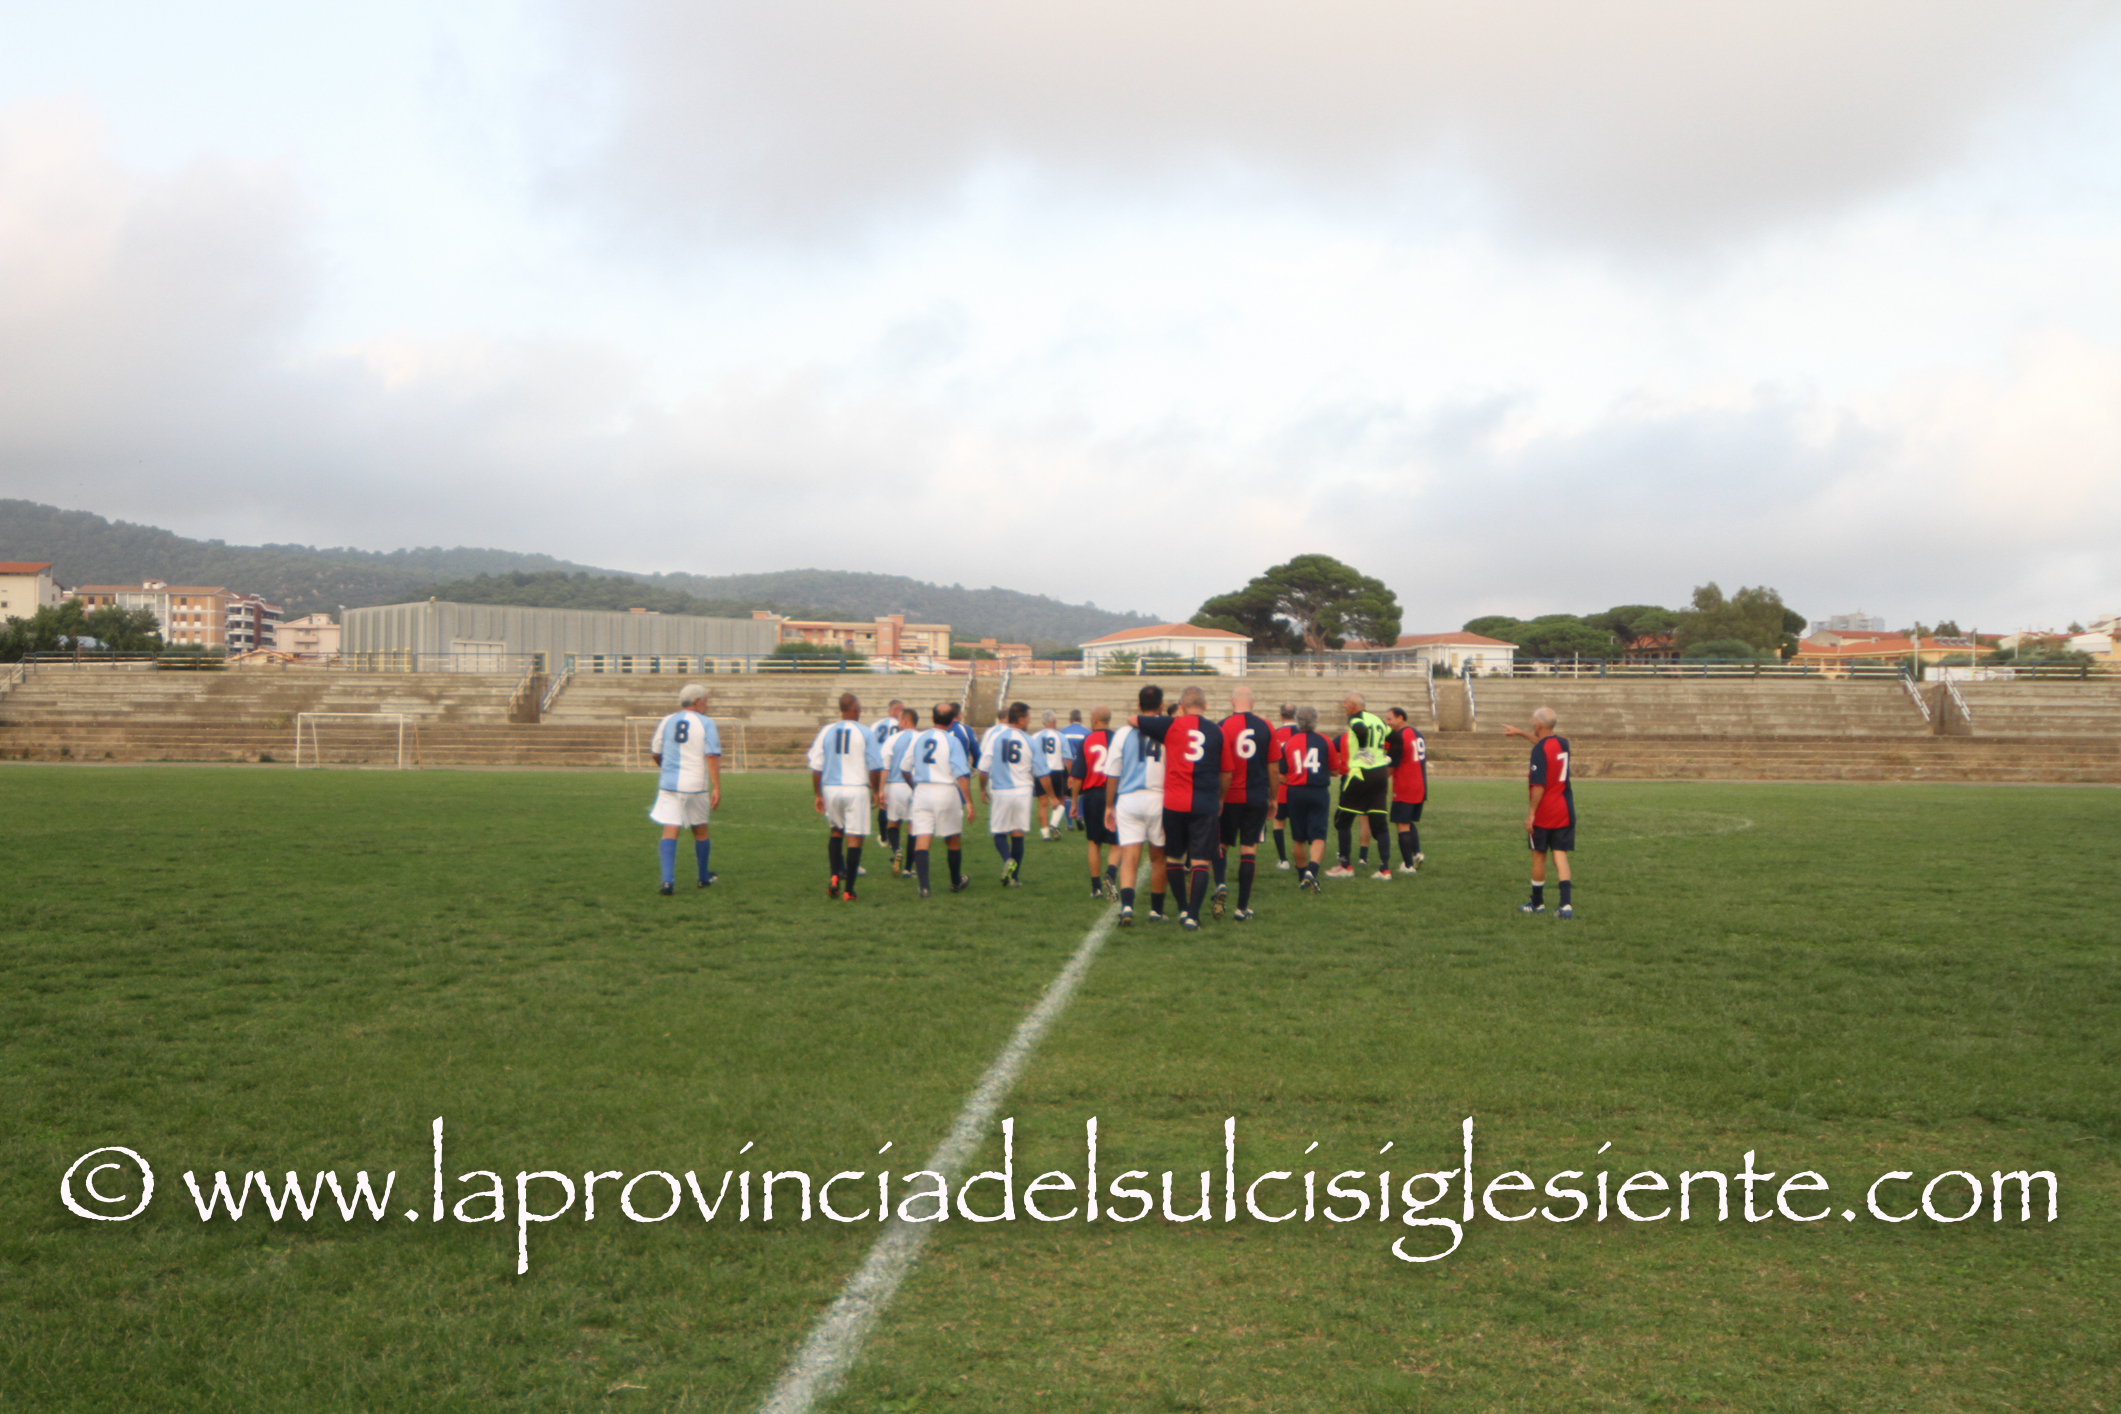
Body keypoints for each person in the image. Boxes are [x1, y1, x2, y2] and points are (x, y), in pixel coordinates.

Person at [1135, 684, 1227, 931]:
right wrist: (1220, 796)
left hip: (1174, 801)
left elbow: (1134, 719)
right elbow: (1226, 772)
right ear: (1205, 706)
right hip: (1205, 801)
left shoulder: (1171, 725)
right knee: (1200, 860)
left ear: (1182, 706)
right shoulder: (1217, 731)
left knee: (1174, 857)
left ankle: (1183, 908)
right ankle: (1193, 916)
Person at [1103, 684, 1169, 925]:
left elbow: (1113, 773)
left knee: (1130, 856)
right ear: (1161, 705)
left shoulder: (1122, 733)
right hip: (1158, 798)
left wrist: (1109, 806)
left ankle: (1127, 907)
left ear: (1139, 706)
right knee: (1158, 858)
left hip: (1129, 800)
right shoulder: (1168, 730)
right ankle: (1156, 910)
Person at [808, 692, 883, 901]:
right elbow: (875, 766)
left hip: (831, 788)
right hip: (856, 789)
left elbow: (816, 765)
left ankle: (834, 877)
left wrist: (818, 794)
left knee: (835, 831)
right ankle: (849, 890)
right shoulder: (866, 732)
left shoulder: (826, 731)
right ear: (856, 709)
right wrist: (876, 790)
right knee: (855, 838)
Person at [648, 683, 722, 895]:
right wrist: (716, 787)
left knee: (670, 829)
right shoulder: (706, 723)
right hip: (695, 785)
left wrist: (666, 768)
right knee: (700, 830)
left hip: (669, 785)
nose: (707, 705)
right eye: (706, 701)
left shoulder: (667, 720)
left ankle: (667, 881)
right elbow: (711, 755)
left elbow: (655, 753)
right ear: (697, 701)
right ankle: (703, 878)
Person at [1504, 707, 1574, 918]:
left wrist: (1531, 814)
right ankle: (1565, 906)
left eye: (1533, 721)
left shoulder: (1539, 751)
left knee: (1538, 855)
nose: (1531, 723)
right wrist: (1520, 733)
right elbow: (1544, 744)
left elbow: (1539, 786)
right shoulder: (1563, 743)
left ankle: (1537, 903)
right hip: (1564, 808)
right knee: (1560, 854)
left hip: (1545, 811)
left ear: (1538, 724)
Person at [1214, 685, 1274, 921]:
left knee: (1221, 843)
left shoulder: (1222, 726)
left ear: (1232, 702)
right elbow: (1273, 767)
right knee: (1249, 848)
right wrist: (1274, 798)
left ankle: (1220, 883)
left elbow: (1217, 766)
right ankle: (1242, 908)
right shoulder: (1266, 726)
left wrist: (1218, 796)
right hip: (1257, 796)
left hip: (1230, 795)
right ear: (1253, 702)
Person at [906, 702, 974, 897]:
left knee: (922, 838)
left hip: (922, 791)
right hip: (946, 791)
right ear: (952, 721)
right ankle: (955, 881)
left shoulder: (919, 738)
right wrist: (969, 802)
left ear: (932, 717)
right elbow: (961, 774)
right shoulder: (952, 741)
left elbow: (904, 768)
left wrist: (915, 786)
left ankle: (924, 887)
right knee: (952, 839)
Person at [1328, 691, 1395, 880]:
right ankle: (1385, 869)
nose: (1343, 706)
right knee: (1379, 824)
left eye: (1345, 702)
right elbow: (1397, 739)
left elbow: (1361, 730)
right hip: (1379, 774)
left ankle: (1345, 866)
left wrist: (1364, 749)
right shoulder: (1378, 720)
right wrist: (1389, 757)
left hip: (1360, 774)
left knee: (1342, 821)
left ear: (1353, 705)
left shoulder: (1355, 719)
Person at [1270, 704, 1334, 891]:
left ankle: (1301, 877)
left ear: (1298, 721)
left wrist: (1293, 780)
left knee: (1298, 838)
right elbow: (1336, 768)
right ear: (1316, 721)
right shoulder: (1325, 741)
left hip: (1295, 792)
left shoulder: (1290, 743)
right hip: (1318, 791)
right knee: (1318, 835)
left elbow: (1281, 774)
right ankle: (1311, 872)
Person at [979, 702, 1038, 885]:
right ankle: (1014, 879)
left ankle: (1007, 859)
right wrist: (1052, 795)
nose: (1029, 721)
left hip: (1001, 791)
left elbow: (983, 767)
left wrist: (982, 788)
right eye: (1027, 717)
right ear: (1020, 719)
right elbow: (1039, 770)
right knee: (1018, 833)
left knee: (999, 832)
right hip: (1023, 791)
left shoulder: (996, 737)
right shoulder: (1029, 740)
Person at [1071, 705, 1119, 898]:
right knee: (1116, 843)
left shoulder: (1087, 740)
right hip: (1114, 794)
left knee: (1094, 842)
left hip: (1092, 795)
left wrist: (1074, 801)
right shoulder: (1118, 738)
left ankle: (1096, 888)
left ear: (1094, 719)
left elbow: (1078, 776)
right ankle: (1111, 874)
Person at [1383, 706, 1428, 875]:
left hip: (1405, 785)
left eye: (1390, 719)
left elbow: (1392, 765)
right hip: (1420, 784)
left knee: (1402, 824)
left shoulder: (1400, 737)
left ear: (1400, 718)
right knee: (1408, 822)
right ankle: (1417, 853)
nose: (1388, 722)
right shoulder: (1417, 733)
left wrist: (1379, 780)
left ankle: (1408, 865)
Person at [881, 705, 922, 873]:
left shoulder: (892, 739)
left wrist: (880, 790)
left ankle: (897, 850)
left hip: (895, 786)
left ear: (905, 720)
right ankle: (908, 869)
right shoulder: (922, 738)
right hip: (916, 787)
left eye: (899, 720)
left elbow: (885, 766)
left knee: (893, 823)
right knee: (913, 827)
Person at [1268, 702, 1298, 870]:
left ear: (1280, 716)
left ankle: (1283, 860)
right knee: (1297, 823)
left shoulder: (1275, 734)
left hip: (1280, 786)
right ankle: (1299, 857)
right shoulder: (1302, 734)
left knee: (1279, 822)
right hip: (1299, 785)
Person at [1033, 711, 1069, 838]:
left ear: (1043, 722)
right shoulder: (1061, 736)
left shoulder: (1035, 736)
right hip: (1056, 771)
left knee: (1042, 803)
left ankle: (1045, 833)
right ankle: (1054, 824)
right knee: (1060, 800)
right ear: (1054, 721)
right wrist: (1070, 775)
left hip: (1040, 772)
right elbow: (1068, 758)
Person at [1059, 709, 1091, 831]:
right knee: (1082, 792)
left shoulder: (1063, 732)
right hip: (1081, 764)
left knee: (1067, 794)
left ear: (1069, 720)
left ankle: (1069, 824)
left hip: (1067, 764)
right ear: (1081, 719)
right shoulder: (1087, 732)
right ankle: (1080, 816)